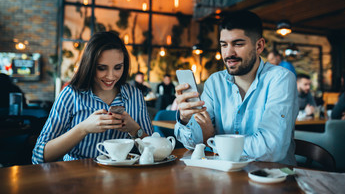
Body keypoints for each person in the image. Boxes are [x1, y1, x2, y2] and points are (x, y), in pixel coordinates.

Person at [174, 10, 298, 165]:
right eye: (224, 45)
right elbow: (194, 143)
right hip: (223, 179)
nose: (228, 53)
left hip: (272, 180)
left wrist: (211, 140)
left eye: (238, 44)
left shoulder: (280, 79)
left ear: (259, 46)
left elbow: (271, 148)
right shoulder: (215, 82)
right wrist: (186, 120)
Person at [32, 32, 153, 164]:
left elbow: (154, 152)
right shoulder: (71, 95)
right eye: (102, 68)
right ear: (89, 65)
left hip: (122, 177)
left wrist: (135, 129)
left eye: (118, 67)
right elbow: (39, 156)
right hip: (76, 176)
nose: (111, 76)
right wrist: (83, 128)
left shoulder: (134, 95)